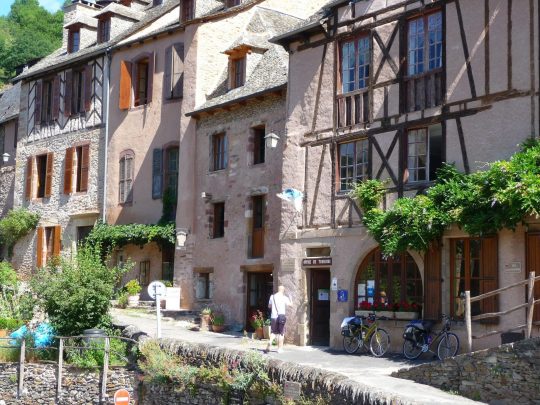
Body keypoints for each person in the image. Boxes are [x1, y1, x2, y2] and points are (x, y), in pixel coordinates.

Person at [265, 285, 291, 353]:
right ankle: (280, 349)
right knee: (281, 333)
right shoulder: (284, 297)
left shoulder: (272, 296)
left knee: (273, 332)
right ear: (283, 290)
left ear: (278, 290)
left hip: (273, 317)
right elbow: (290, 305)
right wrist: (291, 299)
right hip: (281, 316)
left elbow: (269, 306)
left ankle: (270, 342)